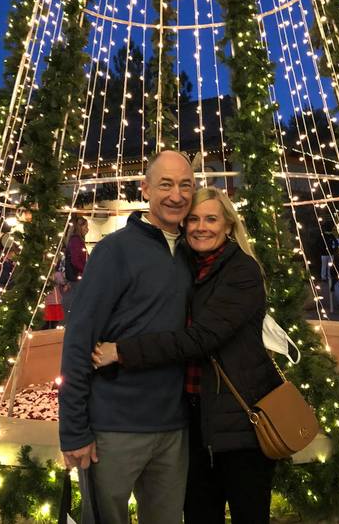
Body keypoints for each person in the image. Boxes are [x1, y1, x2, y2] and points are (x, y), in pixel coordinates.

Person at [92, 187, 282, 524]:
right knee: (198, 514)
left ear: (228, 225)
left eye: (211, 219)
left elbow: (200, 339)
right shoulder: (187, 268)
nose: (201, 227)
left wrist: (122, 351)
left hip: (241, 424)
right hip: (194, 422)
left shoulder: (241, 271)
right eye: (193, 219)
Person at [59, 150, 195, 524]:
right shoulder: (114, 251)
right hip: (113, 429)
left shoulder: (193, 252)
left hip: (174, 427)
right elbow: (79, 339)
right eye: (165, 184)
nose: (176, 195)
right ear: (145, 189)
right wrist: (74, 430)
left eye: (185, 185)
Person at [61, 216, 88, 323]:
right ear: (79, 227)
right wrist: (87, 270)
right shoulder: (76, 241)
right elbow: (76, 261)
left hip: (77, 277)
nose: (87, 229)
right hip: (77, 278)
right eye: (86, 226)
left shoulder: (76, 240)